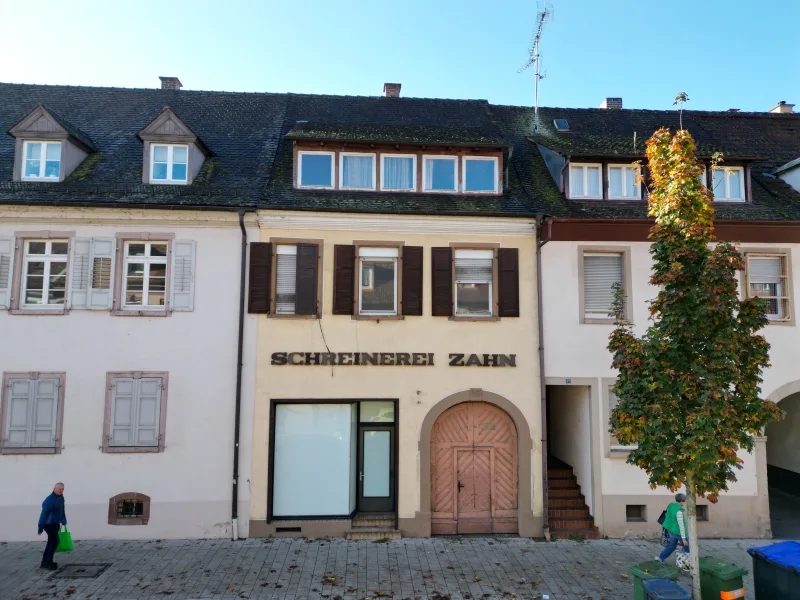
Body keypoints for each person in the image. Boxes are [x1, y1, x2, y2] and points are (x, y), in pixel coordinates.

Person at [38, 482, 67, 570]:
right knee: (55, 542)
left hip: (55, 523)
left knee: (51, 542)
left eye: (62, 489)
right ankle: (48, 562)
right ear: (54, 489)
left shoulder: (61, 498)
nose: (61, 491)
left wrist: (63, 520)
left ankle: (44, 562)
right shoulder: (49, 500)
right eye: (59, 489)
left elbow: (62, 510)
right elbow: (43, 515)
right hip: (49, 524)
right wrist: (40, 527)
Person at [656, 492, 689, 569]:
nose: (685, 502)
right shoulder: (679, 511)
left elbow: (668, 517)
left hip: (671, 530)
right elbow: (681, 525)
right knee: (688, 547)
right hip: (678, 532)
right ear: (681, 501)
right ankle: (687, 563)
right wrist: (684, 539)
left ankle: (660, 558)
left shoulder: (671, 506)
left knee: (671, 546)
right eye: (684, 501)